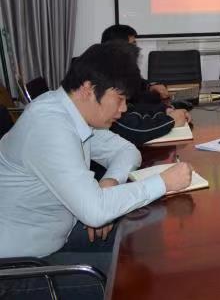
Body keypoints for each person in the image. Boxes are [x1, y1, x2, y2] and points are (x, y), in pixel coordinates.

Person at [0, 42, 192, 299]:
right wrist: (163, 183)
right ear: (89, 90)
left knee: (147, 238)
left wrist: (110, 181)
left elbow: (127, 151)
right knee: (135, 278)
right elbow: (95, 212)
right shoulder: (49, 126)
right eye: (120, 99)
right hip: (16, 269)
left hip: (57, 232)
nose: (124, 109)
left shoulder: (71, 112)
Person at [101, 24, 191, 146]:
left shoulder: (119, 70)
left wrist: (165, 110)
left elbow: (134, 104)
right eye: (132, 45)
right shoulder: (105, 81)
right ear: (119, 47)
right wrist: (170, 120)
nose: (136, 49)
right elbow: (133, 129)